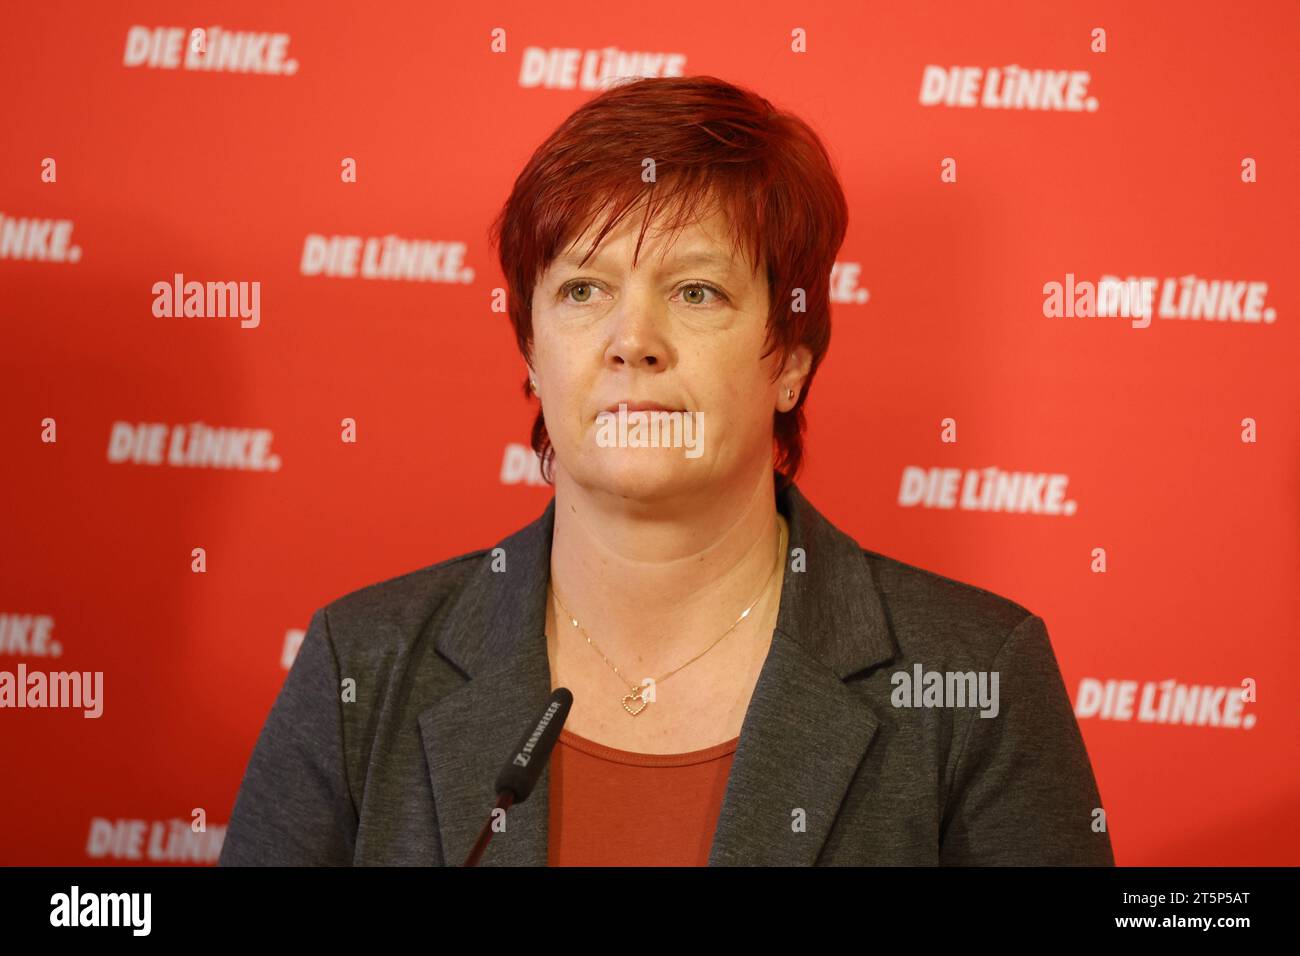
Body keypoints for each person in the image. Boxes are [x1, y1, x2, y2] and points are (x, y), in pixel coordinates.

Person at [219, 75, 1114, 866]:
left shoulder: (974, 678)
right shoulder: (363, 664)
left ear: (792, 358)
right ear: (531, 349)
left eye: (697, 292)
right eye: (583, 290)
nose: (633, 342)